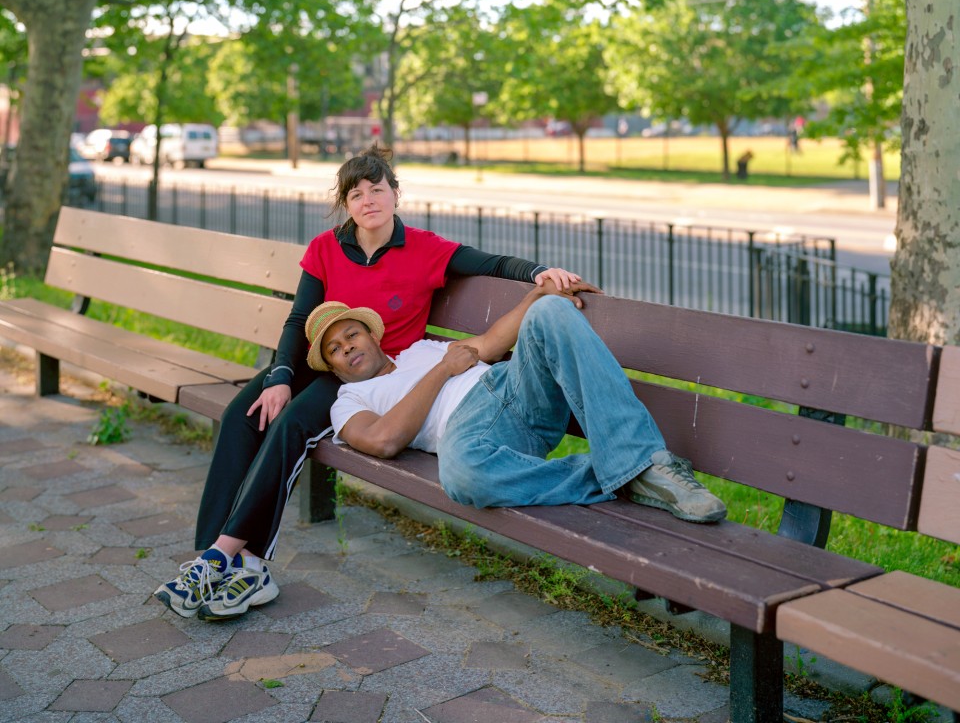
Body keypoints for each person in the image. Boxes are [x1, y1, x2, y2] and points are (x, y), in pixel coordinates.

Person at [153, 144, 582, 622]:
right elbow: (299, 321)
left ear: (395, 194)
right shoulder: (326, 248)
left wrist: (539, 272)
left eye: (377, 190)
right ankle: (211, 559)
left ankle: (243, 562)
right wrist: (279, 376)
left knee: (292, 425)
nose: (368, 201)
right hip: (319, 355)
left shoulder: (426, 248)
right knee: (243, 414)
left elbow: (492, 264)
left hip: (367, 371)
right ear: (346, 204)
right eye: (355, 194)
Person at [312, 285, 727, 523]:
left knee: (550, 311)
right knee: (462, 478)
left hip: (512, 389)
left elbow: (492, 344)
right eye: (334, 348)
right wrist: (442, 371)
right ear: (331, 366)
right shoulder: (350, 399)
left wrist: (537, 294)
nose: (347, 347)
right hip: (472, 436)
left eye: (352, 334)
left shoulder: (419, 349)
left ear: (373, 336)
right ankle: (630, 472)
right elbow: (383, 441)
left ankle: (646, 464)